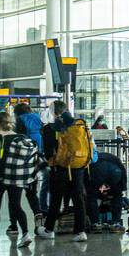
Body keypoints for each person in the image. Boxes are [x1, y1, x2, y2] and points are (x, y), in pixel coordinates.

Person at [37, 102, 92, 242]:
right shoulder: (80, 125)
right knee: (78, 198)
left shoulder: (51, 128)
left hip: (60, 168)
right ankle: (80, 232)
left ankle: (49, 230)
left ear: (53, 112)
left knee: (56, 198)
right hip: (79, 166)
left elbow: (49, 152)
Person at [0, 111, 40, 247]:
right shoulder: (20, 137)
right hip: (17, 178)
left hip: (1, 177)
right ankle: (26, 234)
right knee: (16, 205)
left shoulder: (0, 138)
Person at [88, 151, 127, 233]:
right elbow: (122, 177)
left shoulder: (94, 158)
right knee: (117, 196)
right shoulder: (113, 158)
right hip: (116, 171)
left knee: (91, 196)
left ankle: (95, 223)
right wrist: (120, 190)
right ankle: (116, 223)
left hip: (98, 169)